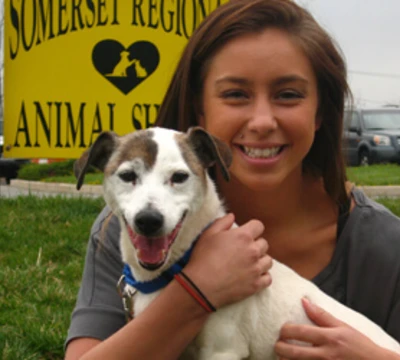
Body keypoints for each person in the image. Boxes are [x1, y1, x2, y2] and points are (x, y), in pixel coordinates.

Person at [65, 0, 400, 359]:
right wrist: (195, 294)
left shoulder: (381, 245)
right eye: (236, 94)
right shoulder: (136, 227)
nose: (262, 121)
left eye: (288, 94)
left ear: (321, 111)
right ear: (199, 108)